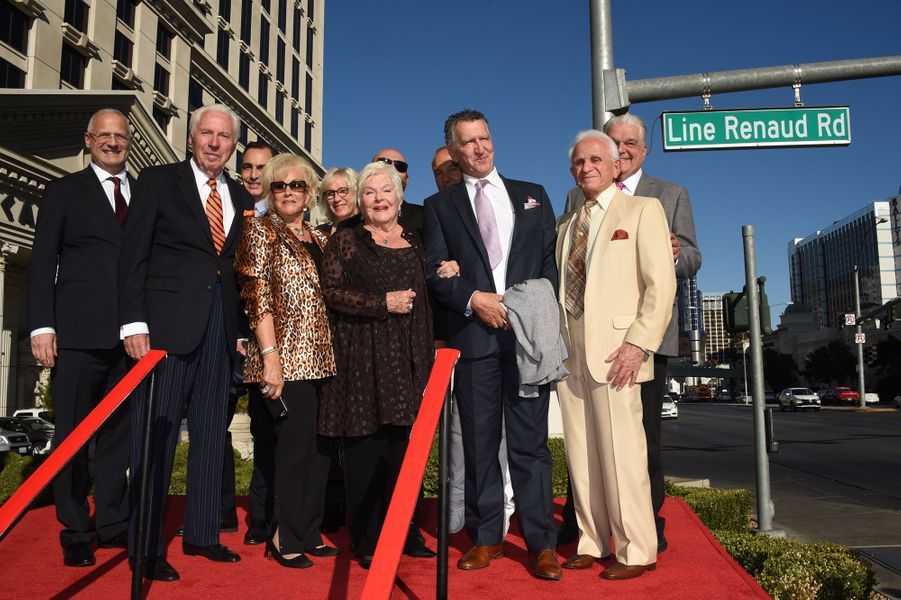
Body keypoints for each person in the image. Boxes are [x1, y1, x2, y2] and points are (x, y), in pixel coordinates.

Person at [423, 109, 562, 581]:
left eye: (484, 138)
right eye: (468, 142)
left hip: (528, 341)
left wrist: (526, 307)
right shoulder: (440, 206)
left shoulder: (532, 195)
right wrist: (473, 299)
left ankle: (541, 544)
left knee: (530, 445)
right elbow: (435, 272)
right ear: (454, 151)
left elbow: (549, 263)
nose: (479, 148)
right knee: (480, 443)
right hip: (475, 338)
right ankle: (486, 537)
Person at [119, 104, 252, 582]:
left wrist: (240, 330)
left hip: (220, 330)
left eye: (224, 136)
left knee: (212, 434)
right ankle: (146, 547)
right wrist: (133, 322)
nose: (215, 143)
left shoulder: (241, 195)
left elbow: (236, 268)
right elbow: (133, 255)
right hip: (166, 329)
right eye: (207, 133)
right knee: (155, 437)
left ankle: (202, 533)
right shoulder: (157, 181)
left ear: (233, 145)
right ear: (191, 137)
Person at [556, 114, 701, 552]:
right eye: (579, 162)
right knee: (582, 455)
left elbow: (663, 282)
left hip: (623, 350)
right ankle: (591, 541)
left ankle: (636, 545)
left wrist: (638, 343)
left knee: (630, 451)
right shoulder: (569, 220)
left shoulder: (648, 206)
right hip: (572, 353)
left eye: (597, 159)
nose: (588, 167)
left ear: (618, 162)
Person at [27, 108, 135, 568]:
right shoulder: (64, 191)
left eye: (120, 136)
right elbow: (42, 262)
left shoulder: (143, 193)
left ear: (128, 142)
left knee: (117, 438)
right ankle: (74, 528)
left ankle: (112, 522)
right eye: (104, 135)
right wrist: (42, 325)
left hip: (131, 340)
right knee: (71, 436)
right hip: (75, 336)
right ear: (89, 140)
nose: (112, 142)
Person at [318, 161, 434, 570]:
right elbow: (331, 293)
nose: (379, 198)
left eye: (386, 191)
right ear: (360, 200)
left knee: (404, 452)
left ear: (399, 198)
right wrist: (382, 303)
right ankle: (366, 539)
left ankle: (406, 532)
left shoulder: (416, 241)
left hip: (407, 359)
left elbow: (427, 298)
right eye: (370, 192)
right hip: (362, 358)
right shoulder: (346, 241)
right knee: (365, 450)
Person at [235, 153, 337, 568]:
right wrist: (270, 358)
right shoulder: (260, 231)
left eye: (297, 185)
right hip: (285, 359)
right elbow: (256, 296)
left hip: (323, 360)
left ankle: (309, 530)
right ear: (270, 192)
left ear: (310, 193)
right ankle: (284, 534)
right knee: (293, 450)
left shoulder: (320, 239)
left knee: (318, 451)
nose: (288, 192)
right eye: (280, 186)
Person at [429, 145, 514, 536]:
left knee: (507, 433)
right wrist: (451, 274)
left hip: (504, 331)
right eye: (438, 171)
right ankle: (461, 509)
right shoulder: (433, 211)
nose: (446, 174)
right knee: (461, 434)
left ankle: (508, 507)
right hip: (452, 341)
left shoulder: (501, 201)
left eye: (451, 167)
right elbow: (431, 270)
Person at [237, 139, 278, 546]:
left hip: (284, 347)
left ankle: (278, 517)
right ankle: (254, 517)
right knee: (259, 432)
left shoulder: (292, 217)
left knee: (281, 437)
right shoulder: (230, 210)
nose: (253, 175)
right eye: (247, 167)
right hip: (240, 342)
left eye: (261, 168)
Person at [372, 148, 423, 238]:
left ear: (407, 179)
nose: (392, 170)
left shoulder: (426, 217)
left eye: (400, 166)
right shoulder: (350, 226)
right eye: (384, 163)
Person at [318, 167, 360, 234]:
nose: (336, 199)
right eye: (330, 193)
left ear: (357, 192)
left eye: (342, 191)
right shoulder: (318, 233)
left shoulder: (370, 231)